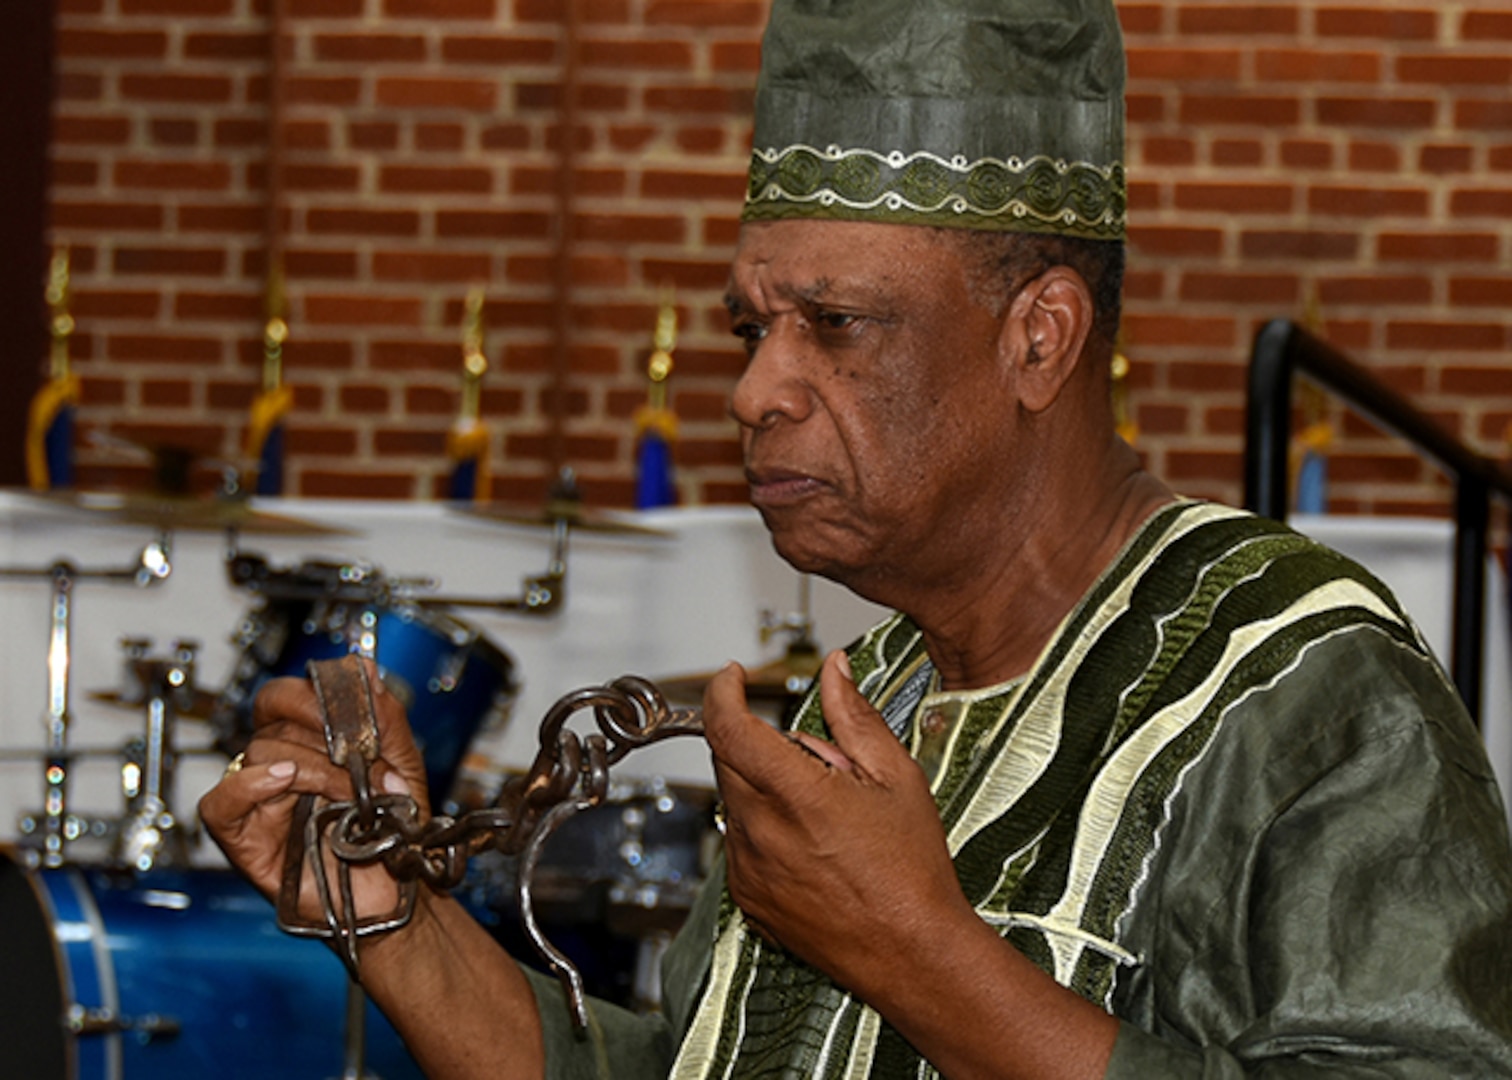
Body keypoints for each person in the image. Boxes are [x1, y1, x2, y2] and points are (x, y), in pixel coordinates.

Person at [200, 1, 1512, 1077]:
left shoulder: (1299, 685)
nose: (752, 390)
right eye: (750, 329)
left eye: (834, 324)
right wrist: (396, 921)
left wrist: (920, 956)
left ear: (1038, 339)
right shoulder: (874, 697)